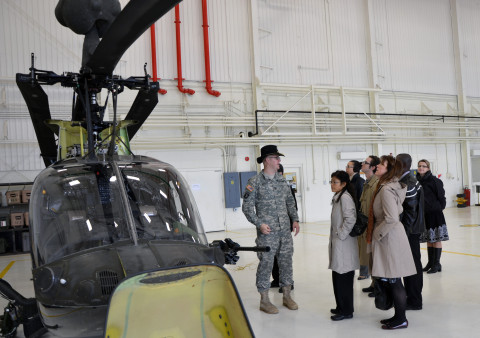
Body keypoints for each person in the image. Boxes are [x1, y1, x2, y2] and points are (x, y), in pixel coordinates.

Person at [242, 145, 300, 314]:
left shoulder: (281, 180)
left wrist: (294, 219)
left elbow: (290, 201)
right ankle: (264, 300)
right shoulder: (255, 182)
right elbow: (247, 208)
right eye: (276, 158)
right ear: (267, 160)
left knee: (286, 262)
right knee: (266, 264)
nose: (279, 161)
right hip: (267, 233)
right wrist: (259, 223)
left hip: (284, 231)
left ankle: (287, 296)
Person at [367, 155, 416, 330]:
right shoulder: (387, 186)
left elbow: (391, 218)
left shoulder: (387, 190)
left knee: (394, 280)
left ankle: (401, 319)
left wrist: (376, 235)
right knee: (393, 279)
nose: (377, 166)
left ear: (389, 170)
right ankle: (398, 315)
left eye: (381, 164)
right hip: (390, 236)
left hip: (389, 238)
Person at [328, 170, 359, 321]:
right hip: (338, 243)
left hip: (344, 243)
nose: (332, 184)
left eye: (335, 182)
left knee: (344, 278)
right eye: (331, 181)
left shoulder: (345, 198)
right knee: (337, 276)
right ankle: (341, 306)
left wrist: (341, 234)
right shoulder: (338, 197)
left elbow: (350, 219)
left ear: (344, 184)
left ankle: (346, 311)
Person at [396, 154, 425, 310]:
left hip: (410, 231)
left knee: (412, 266)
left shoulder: (409, 183)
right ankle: (413, 297)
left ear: (402, 164)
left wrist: (404, 233)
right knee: (412, 265)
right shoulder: (409, 180)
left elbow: (411, 212)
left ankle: (414, 300)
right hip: (411, 230)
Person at [416, 159, 449, 274]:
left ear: (428, 168)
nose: (421, 168)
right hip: (424, 214)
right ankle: (430, 262)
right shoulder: (417, 181)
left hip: (435, 214)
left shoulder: (435, 181)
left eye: (424, 166)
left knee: (437, 239)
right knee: (429, 239)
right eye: (419, 166)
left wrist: (438, 208)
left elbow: (442, 197)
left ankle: (437, 263)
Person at [271, 164, 297, 292]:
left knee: (284, 256)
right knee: (274, 256)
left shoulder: (287, 187)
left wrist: (293, 222)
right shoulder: (270, 187)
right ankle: (277, 280)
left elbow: (293, 207)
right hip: (273, 229)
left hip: (285, 227)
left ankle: (287, 283)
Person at [358, 156, 380, 292]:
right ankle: (373, 284)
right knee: (370, 258)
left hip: (373, 226)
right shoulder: (367, 183)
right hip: (365, 226)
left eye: (365, 163)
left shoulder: (376, 184)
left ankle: (378, 286)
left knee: (375, 258)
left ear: (372, 167)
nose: (362, 164)